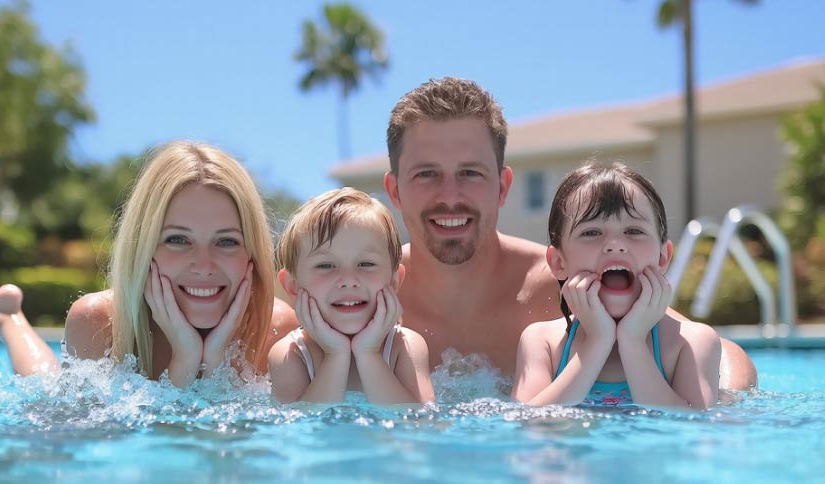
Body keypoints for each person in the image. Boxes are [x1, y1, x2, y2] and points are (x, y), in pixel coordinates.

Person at [382, 77, 757, 390]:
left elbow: (725, 356)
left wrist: (719, 417)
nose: (450, 197)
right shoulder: (362, 293)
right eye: (427, 174)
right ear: (395, 190)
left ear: (502, 186)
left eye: (470, 173)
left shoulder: (561, 285)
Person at [0, 141, 299, 387]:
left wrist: (216, 359)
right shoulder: (98, 321)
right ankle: (7, 317)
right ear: (146, 248)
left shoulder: (275, 327)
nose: (204, 265)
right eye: (178, 240)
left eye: (226, 242)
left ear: (251, 253)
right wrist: (185, 361)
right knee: (44, 385)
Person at [511, 162, 719, 408]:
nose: (615, 244)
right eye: (591, 232)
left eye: (633, 231)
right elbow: (529, 427)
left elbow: (692, 429)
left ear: (663, 257)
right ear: (558, 262)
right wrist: (597, 342)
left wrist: (633, 342)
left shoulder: (690, 343)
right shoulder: (541, 342)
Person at [268, 187, 434, 404]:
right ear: (293, 286)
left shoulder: (405, 346)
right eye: (326, 265)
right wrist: (334, 356)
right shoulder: (291, 354)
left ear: (394, 281)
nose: (348, 279)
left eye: (366, 264)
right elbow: (299, 431)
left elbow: (419, 423)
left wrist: (369, 354)